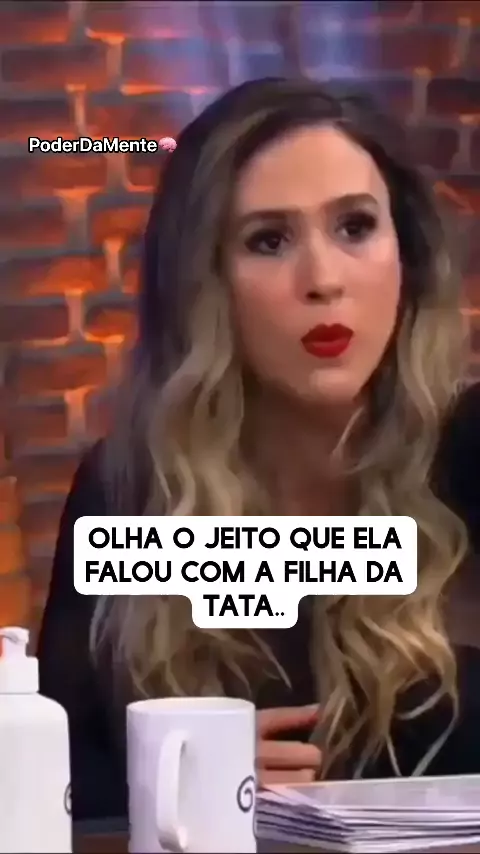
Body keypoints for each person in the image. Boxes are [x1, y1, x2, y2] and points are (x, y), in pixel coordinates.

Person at [37, 77, 480, 823]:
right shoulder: (131, 489)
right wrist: (172, 783)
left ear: (406, 255)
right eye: (268, 241)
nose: (323, 281)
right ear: (206, 284)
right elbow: (55, 788)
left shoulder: (468, 450)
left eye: (356, 227)